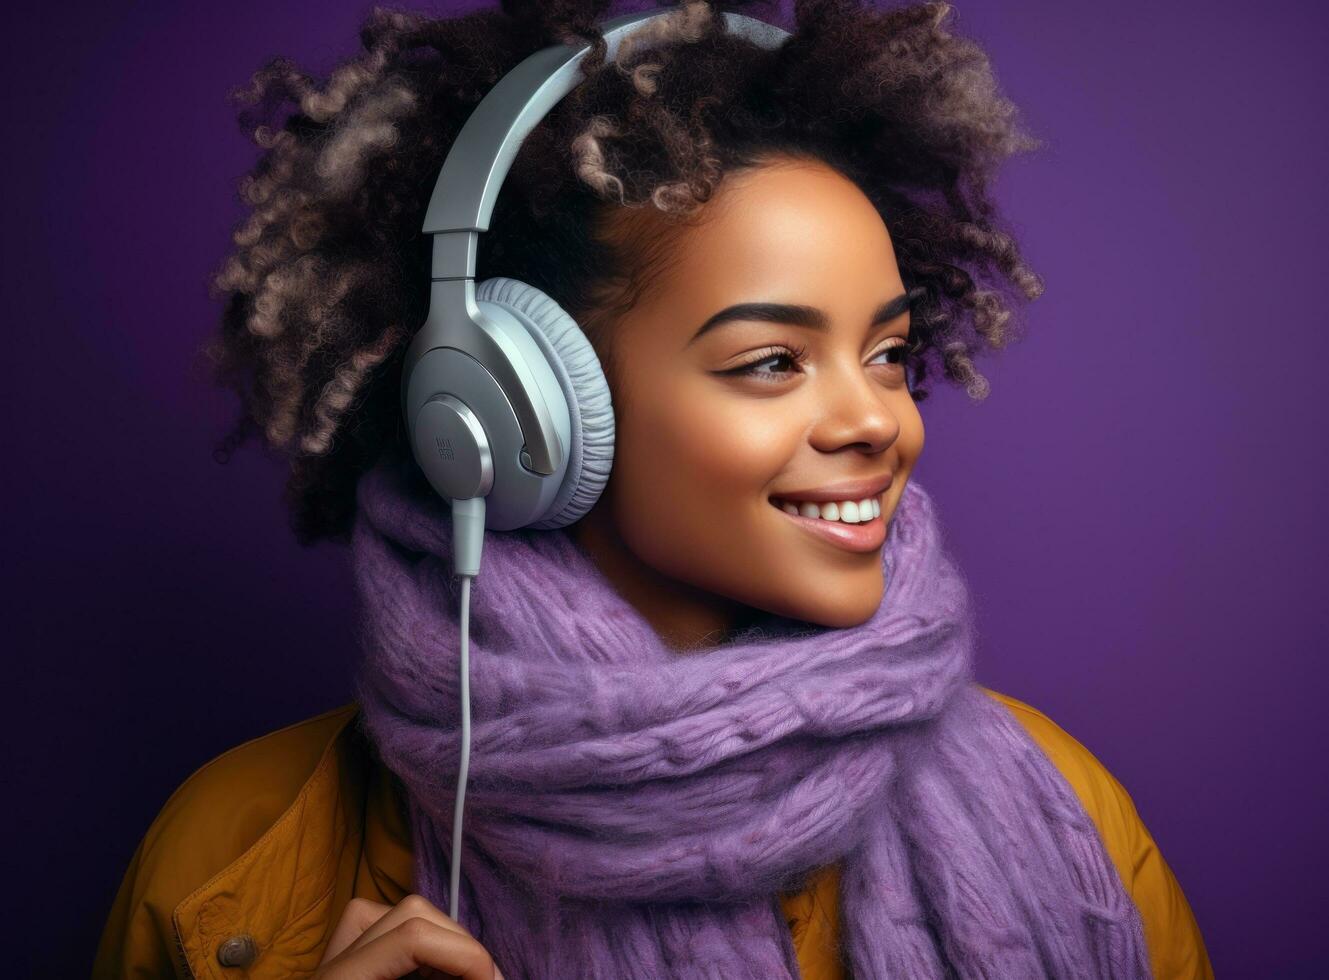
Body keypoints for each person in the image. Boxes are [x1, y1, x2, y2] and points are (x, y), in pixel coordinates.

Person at [93, 1, 1214, 977]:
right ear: (512, 410)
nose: (880, 418)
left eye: (886, 352)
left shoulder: (1069, 819)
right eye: (771, 360)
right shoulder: (231, 864)